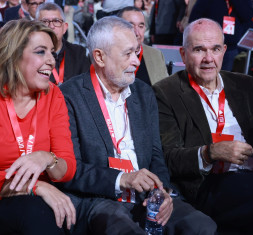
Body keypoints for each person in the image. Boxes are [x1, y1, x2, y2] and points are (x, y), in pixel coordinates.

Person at [153, 18, 253, 234]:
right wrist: (209, 153)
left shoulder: (244, 84)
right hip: (209, 185)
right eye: (199, 50)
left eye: (215, 49)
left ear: (224, 51)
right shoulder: (166, 92)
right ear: (183, 54)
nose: (209, 59)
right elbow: (169, 158)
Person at [59, 16, 217, 235]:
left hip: (146, 198)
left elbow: (155, 154)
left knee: (203, 227)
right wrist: (121, 179)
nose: (136, 61)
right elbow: (70, 169)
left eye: (136, 52)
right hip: (101, 200)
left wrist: (162, 193)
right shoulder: (69, 96)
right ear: (100, 57)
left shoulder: (144, 93)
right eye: (128, 54)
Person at [0, 19, 77, 234]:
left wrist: (46, 158)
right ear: (13, 55)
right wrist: (35, 187)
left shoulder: (53, 94)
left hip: (39, 201)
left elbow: (66, 170)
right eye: (41, 52)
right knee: (38, 214)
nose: (51, 61)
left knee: (55, 214)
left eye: (52, 53)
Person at [189, 0, 253, 71]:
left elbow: (247, 16)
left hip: (231, 48)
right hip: (209, 46)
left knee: (224, 78)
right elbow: (195, 18)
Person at [36, 2, 90, 85]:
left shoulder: (79, 54)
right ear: (35, 27)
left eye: (56, 21)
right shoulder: (30, 57)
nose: (51, 26)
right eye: (45, 21)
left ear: (65, 28)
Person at [118, 6, 168, 86]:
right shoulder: (109, 55)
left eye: (141, 26)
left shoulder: (156, 55)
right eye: (130, 26)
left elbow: (164, 91)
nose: (137, 33)